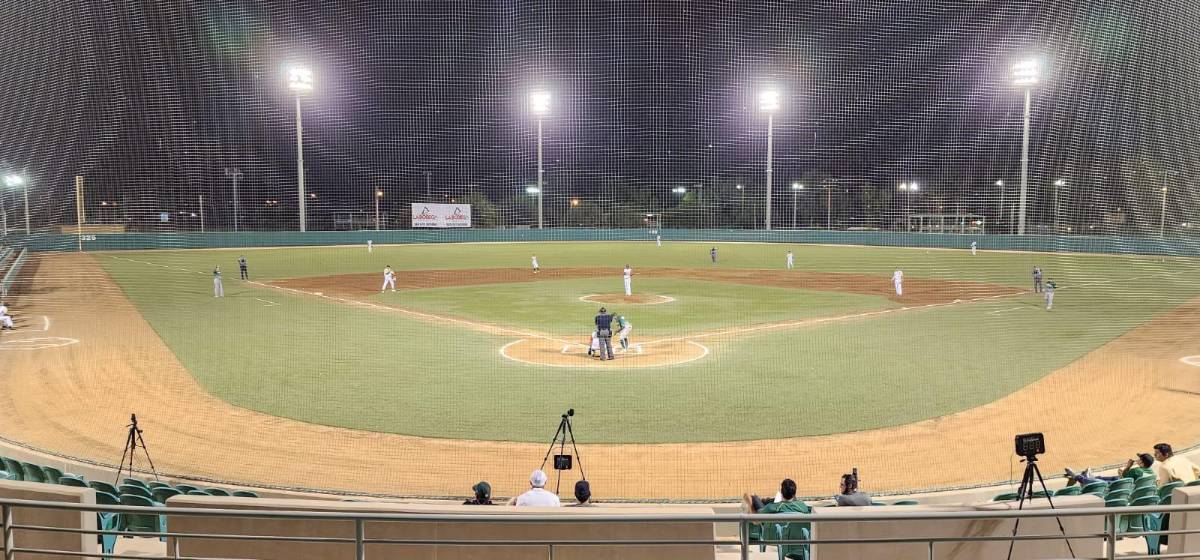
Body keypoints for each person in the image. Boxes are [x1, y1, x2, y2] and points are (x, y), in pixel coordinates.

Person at [1065, 454, 1155, 486]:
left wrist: (1128, 466)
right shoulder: (1151, 472)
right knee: (1104, 478)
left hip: (1120, 485)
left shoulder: (1137, 470)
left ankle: (1076, 476)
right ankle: (1089, 476)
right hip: (1126, 483)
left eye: (1139, 459)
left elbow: (1124, 477)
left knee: (1097, 482)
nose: (1137, 459)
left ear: (1142, 463)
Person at [743, 478, 810, 515]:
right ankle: (763, 500)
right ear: (794, 493)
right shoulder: (802, 507)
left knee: (752, 496)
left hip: (767, 510)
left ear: (781, 492)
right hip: (794, 534)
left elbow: (756, 520)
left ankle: (759, 498)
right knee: (770, 500)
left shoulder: (772, 508)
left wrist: (750, 504)